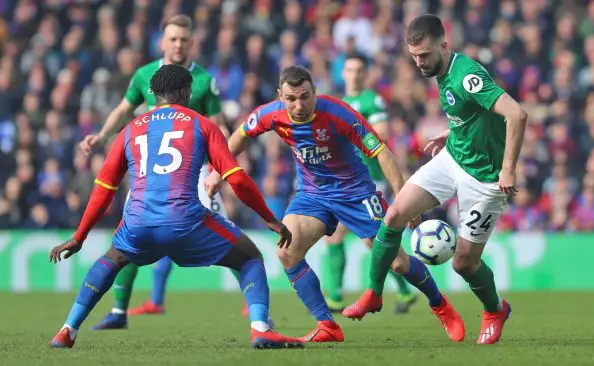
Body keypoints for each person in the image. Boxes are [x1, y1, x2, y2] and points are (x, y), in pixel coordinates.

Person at [49, 64, 303, 350]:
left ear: (154, 93)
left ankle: (67, 329)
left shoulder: (130, 130)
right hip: (185, 222)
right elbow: (237, 179)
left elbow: (104, 189)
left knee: (111, 260)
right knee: (250, 258)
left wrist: (79, 236)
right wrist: (269, 218)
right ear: (185, 92)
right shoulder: (201, 124)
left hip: (138, 222)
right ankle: (260, 329)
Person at [206, 65, 465, 343]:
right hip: (312, 195)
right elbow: (240, 136)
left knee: (398, 264)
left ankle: (441, 306)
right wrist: (217, 170)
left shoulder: (338, 113)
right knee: (287, 251)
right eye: (291, 98)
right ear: (280, 95)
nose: (298, 105)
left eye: (305, 96)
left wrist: (403, 199)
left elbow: (383, 153)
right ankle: (327, 324)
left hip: (355, 193)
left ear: (315, 93)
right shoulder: (270, 114)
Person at [343, 14, 528, 345]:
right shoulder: (438, 70)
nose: (418, 62)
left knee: (464, 263)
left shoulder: (467, 75)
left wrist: (508, 168)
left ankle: (495, 308)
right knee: (395, 215)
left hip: (485, 177)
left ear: (445, 44)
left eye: (424, 55)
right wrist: (455, 131)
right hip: (453, 157)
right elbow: (473, 113)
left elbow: (516, 114)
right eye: (414, 56)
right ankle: (374, 292)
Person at [79, 15, 232, 329]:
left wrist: (227, 161)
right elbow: (124, 108)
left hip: (193, 172)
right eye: (173, 39)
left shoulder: (203, 81)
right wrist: (102, 135)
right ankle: (119, 311)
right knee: (131, 235)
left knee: (225, 231)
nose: (178, 44)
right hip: (149, 172)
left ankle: (252, 302)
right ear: (163, 42)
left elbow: (218, 124)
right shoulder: (145, 74)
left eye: (183, 40)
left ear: (191, 43)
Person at [324, 53, 416, 314]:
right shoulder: (340, 103)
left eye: (358, 70)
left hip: (371, 180)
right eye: (349, 70)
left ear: (365, 74)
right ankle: (338, 295)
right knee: (340, 237)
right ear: (343, 73)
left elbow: (382, 134)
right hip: (348, 180)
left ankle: (337, 295)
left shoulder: (371, 100)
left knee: (367, 240)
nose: (353, 74)